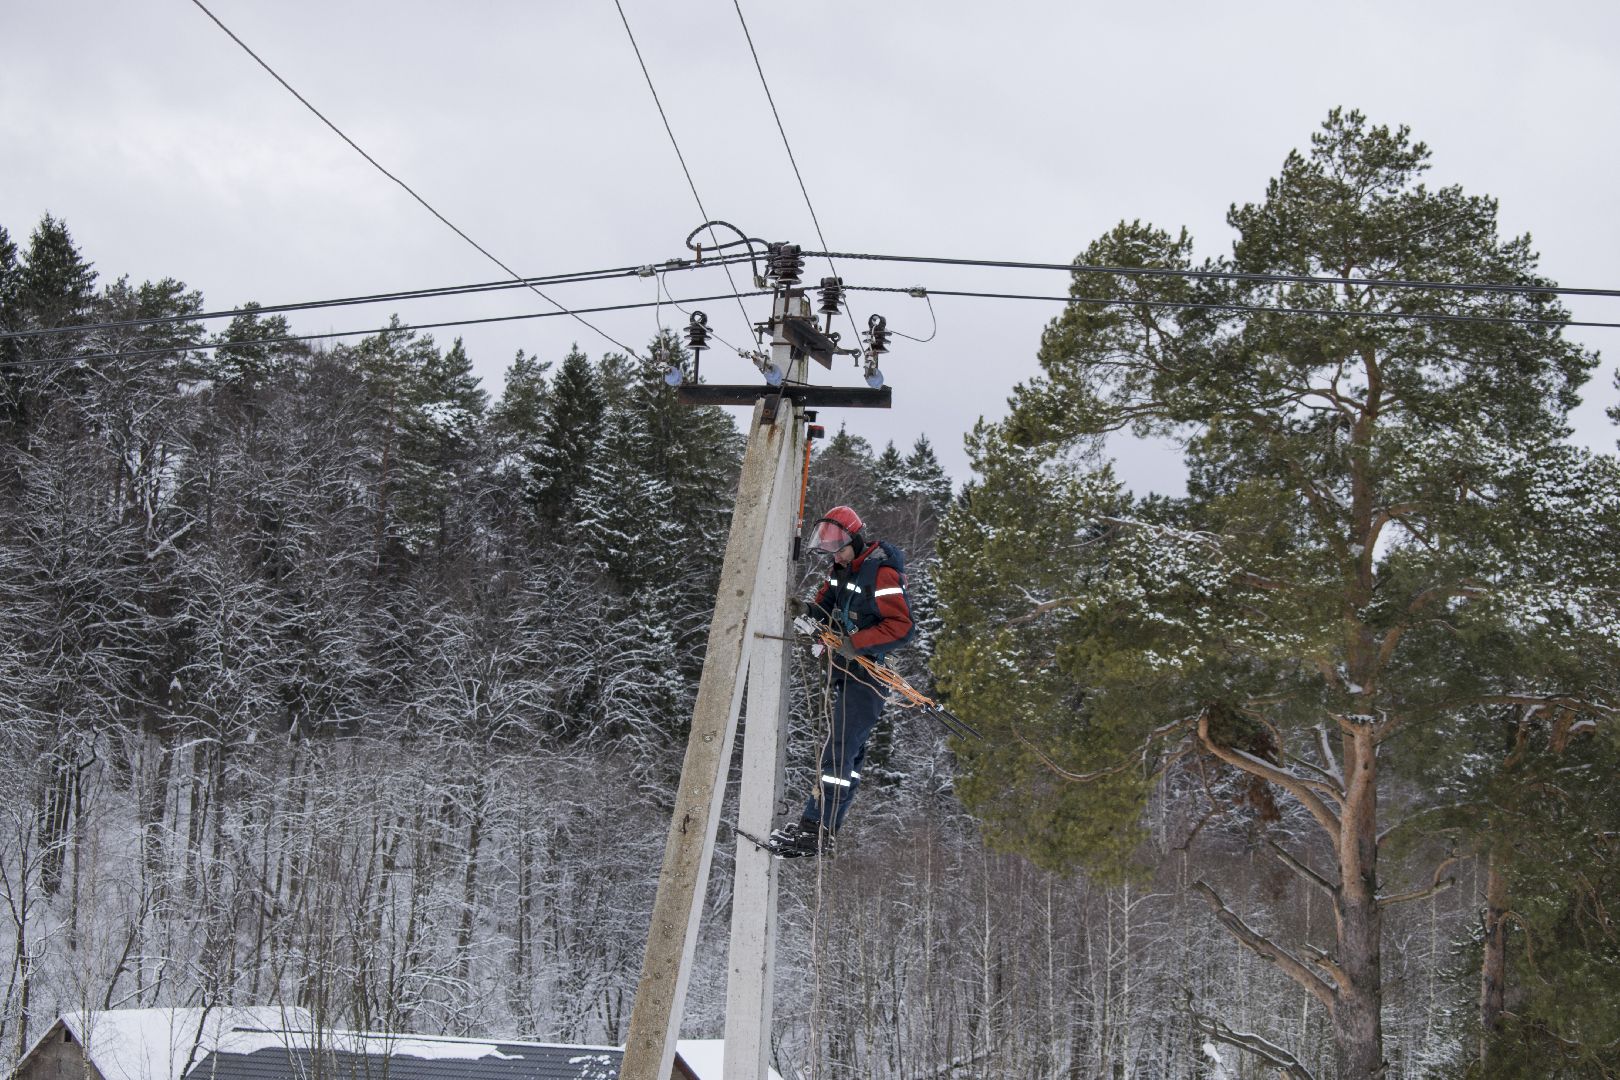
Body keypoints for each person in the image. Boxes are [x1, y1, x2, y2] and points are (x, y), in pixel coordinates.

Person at [768, 505, 914, 859]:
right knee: (849, 753)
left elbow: (902, 627)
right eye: (831, 553)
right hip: (847, 672)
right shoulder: (841, 571)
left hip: (870, 674)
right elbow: (826, 607)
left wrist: (857, 643)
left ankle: (815, 825)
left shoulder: (880, 574)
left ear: (856, 539)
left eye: (840, 550)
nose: (836, 558)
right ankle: (824, 828)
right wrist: (807, 611)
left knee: (840, 750)